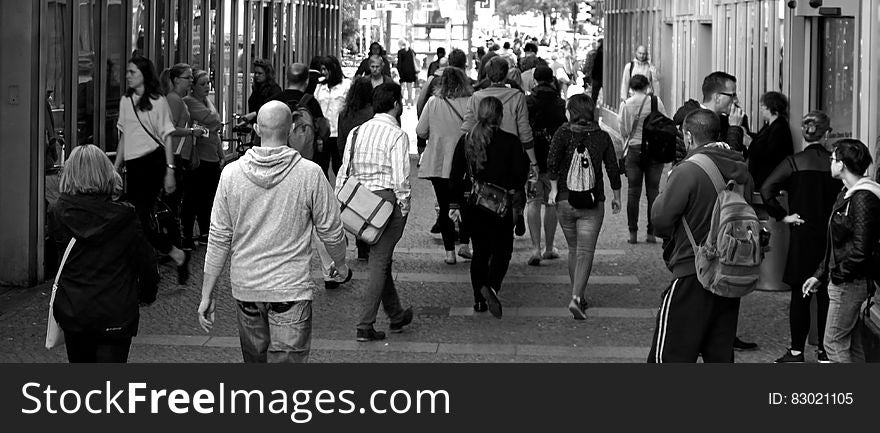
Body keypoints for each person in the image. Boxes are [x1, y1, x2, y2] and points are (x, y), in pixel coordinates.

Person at [197, 101, 350, 363]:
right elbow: (331, 230)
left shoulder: (231, 174)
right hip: (290, 290)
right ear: (290, 129)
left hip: (247, 289)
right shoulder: (309, 174)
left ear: (256, 128)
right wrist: (341, 264)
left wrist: (206, 293)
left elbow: (219, 236)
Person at [647, 108, 754, 363]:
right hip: (729, 273)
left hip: (693, 270)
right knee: (719, 355)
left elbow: (660, 220)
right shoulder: (740, 169)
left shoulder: (688, 171)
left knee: (669, 355)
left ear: (688, 136)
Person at [50, 145, 158, 363]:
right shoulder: (126, 216)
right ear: (106, 173)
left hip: (74, 311)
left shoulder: (58, 212)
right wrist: (146, 295)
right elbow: (146, 263)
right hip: (116, 313)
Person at [335, 83, 414, 342]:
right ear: (395, 104)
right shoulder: (397, 136)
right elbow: (400, 178)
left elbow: (344, 170)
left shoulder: (357, 131)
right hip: (385, 203)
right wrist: (403, 206)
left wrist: (340, 201)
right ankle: (365, 324)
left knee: (381, 260)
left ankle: (396, 314)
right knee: (379, 263)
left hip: (359, 202)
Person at [761, 111, 840, 363]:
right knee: (828, 294)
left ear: (805, 135)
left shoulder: (793, 162)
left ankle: (796, 351)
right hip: (831, 234)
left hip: (802, 232)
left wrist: (783, 216)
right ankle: (825, 352)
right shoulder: (835, 163)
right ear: (826, 134)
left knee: (800, 294)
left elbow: (766, 189)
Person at [449, 96, 529, 318]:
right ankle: (491, 286)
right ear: (501, 116)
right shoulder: (511, 142)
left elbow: (455, 176)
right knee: (503, 250)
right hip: (500, 206)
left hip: (473, 205)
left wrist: (454, 203)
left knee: (480, 252)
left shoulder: (466, 140)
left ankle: (478, 300)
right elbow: (519, 175)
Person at [803, 139, 880, 363]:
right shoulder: (848, 194)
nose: (831, 162)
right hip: (848, 280)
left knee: (834, 343)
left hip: (849, 283)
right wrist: (820, 274)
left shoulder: (862, 197)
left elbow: (861, 248)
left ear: (842, 165)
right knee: (851, 345)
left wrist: (837, 275)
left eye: (833, 159)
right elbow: (836, 243)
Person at [115, 56, 189, 284]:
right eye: (128, 72)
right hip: (134, 165)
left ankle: (146, 271)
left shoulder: (158, 101)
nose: (128, 76)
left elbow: (167, 136)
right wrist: (116, 166)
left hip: (154, 163)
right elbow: (124, 135)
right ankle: (174, 254)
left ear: (144, 75)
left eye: (132, 72)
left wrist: (169, 170)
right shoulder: (125, 101)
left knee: (138, 217)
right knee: (136, 219)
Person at [547, 94, 621, 319]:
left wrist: (552, 189)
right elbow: (612, 168)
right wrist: (616, 195)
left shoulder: (562, 133)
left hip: (564, 201)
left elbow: (552, 162)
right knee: (585, 252)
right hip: (592, 202)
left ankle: (576, 293)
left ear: (572, 112)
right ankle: (577, 297)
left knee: (573, 249)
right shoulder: (602, 137)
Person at [461, 56, 541, 236]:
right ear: (506, 74)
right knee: (514, 187)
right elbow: (525, 129)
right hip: (511, 150)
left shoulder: (476, 97)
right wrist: (533, 161)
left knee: (484, 187)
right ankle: (515, 214)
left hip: (482, 148)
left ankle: (486, 226)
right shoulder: (517, 96)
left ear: (487, 74)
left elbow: (466, 128)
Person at [416, 67, 473, 265]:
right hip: (465, 165)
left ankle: (450, 252)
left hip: (439, 163)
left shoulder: (433, 102)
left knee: (444, 205)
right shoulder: (470, 102)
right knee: (466, 205)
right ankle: (465, 244)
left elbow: (421, 131)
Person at [159, 63, 205, 251]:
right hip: (174, 155)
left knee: (177, 199)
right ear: (177, 80)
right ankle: (171, 242)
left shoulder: (177, 99)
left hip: (180, 154)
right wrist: (191, 131)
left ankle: (173, 240)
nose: (191, 81)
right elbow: (168, 130)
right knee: (173, 200)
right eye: (188, 78)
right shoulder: (174, 99)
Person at [525, 66, 567, 266]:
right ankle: (549, 247)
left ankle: (535, 248)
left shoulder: (528, 102)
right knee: (551, 203)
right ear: (551, 80)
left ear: (535, 80)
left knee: (532, 202)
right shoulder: (560, 103)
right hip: (553, 162)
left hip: (532, 159)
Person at [619, 74, 668, 244]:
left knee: (633, 191)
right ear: (647, 86)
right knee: (653, 191)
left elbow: (623, 130)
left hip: (634, 149)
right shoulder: (656, 102)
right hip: (654, 151)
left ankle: (632, 234)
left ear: (631, 88)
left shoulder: (625, 105)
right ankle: (651, 233)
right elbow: (665, 122)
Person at [183, 69, 225, 247]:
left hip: (212, 155)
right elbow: (214, 120)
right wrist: (214, 123)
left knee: (209, 197)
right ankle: (188, 234)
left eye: (209, 83)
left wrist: (221, 153)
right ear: (193, 87)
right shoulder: (189, 102)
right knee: (193, 196)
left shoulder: (207, 101)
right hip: (199, 157)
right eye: (203, 84)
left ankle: (204, 231)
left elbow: (215, 128)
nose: (207, 86)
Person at [337, 77, 376, 263]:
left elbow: (340, 142)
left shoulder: (344, 114)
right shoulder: (372, 113)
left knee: (355, 205)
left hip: (351, 165)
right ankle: (366, 243)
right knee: (369, 206)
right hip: (369, 165)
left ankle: (359, 244)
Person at [673, 71, 749, 156]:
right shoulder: (692, 122)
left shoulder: (726, 121)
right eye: (732, 95)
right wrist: (735, 128)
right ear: (717, 97)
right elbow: (726, 161)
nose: (736, 100)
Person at [747, 91, 794, 189]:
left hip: (768, 180)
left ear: (771, 107)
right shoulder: (770, 126)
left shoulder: (780, 127)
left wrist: (750, 142)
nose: (761, 109)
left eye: (763, 106)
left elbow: (770, 153)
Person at [314, 55, 352, 175]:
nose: (323, 72)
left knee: (339, 167)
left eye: (326, 69)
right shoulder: (320, 87)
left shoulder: (346, 85)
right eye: (322, 69)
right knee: (321, 167)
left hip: (339, 134)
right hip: (323, 134)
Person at [417, 49, 470, 117]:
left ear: (448, 64)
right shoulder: (471, 85)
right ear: (464, 65)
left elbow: (421, 104)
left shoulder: (435, 82)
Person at [396, 40, 418, 106]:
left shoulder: (400, 52)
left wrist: (399, 72)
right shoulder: (411, 51)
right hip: (411, 71)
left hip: (403, 71)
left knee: (402, 86)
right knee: (410, 86)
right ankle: (410, 100)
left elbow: (399, 63)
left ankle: (402, 100)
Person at [583, 39, 603, 103]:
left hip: (596, 76)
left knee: (594, 95)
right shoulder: (606, 52)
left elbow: (589, 64)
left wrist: (586, 71)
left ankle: (592, 108)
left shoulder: (593, 53)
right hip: (604, 76)